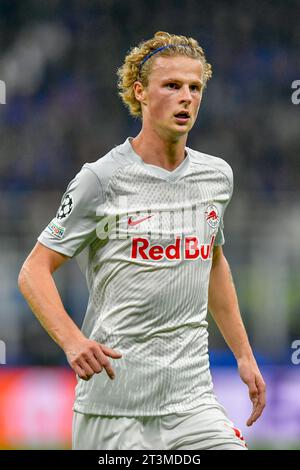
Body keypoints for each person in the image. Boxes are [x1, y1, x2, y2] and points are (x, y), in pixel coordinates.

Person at [18, 31, 266, 450]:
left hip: (192, 404)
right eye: (171, 86)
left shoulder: (216, 177)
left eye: (194, 87)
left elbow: (213, 262)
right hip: (113, 412)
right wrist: (72, 341)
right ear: (141, 93)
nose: (185, 97)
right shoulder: (101, 179)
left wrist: (243, 353)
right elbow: (33, 271)